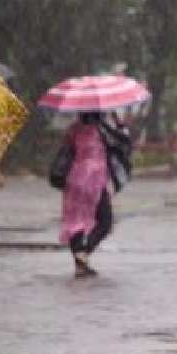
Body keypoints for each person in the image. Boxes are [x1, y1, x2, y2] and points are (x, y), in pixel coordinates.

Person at [60, 112, 130, 277]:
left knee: (75, 222)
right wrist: (120, 123)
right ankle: (83, 253)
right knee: (105, 221)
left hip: (74, 179)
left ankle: (80, 266)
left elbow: (68, 149)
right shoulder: (102, 130)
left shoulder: (74, 129)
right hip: (94, 180)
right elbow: (124, 142)